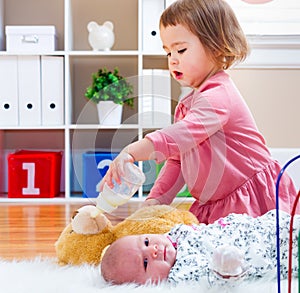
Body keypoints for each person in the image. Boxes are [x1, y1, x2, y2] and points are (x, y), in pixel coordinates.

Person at [99, 0, 299, 224]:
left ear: (216, 46)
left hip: (253, 199)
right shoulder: (187, 105)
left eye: (181, 50)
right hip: (216, 203)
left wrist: (133, 150)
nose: (172, 59)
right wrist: (155, 202)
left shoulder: (218, 96)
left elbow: (179, 136)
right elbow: (176, 162)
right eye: (168, 52)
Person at [100, 210, 299, 287]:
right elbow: (215, 278)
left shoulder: (175, 233)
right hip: (274, 250)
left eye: (145, 242)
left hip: (269, 224)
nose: (152, 250)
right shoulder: (182, 274)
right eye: (145, 263)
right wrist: (226, 268)